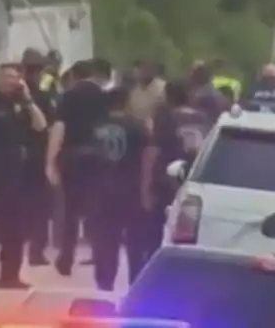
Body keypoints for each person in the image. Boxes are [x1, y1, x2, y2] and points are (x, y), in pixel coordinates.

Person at [0, 64, 48, 289]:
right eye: (8, 76)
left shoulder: (21, 104)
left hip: (17, 172)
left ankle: (9, 275)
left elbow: (41, 126)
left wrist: (28, 100)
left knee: (16, 226)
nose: (12, 81)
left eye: (16, 77)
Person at [46, 59, 109, 276]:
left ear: (73, 76)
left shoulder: (69, 96)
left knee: (70, 211)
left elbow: (59, 127)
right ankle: (101, 256)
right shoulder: (103, 97)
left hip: (73, 157)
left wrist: (51, 160)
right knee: (96, 211)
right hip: (97, 157)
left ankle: (66, 259)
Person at [89, 87, 153, 290]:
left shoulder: (96, 126)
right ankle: (135, 282)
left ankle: (104, 282)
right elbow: (147, 158)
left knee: (105, 240)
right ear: (126, 103)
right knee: (135, 241)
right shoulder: (137, 127)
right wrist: (146, 190)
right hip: (130, 189)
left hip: (101, 189)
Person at [143, 80, 210, 256]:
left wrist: (146, 185)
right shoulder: (201, 118)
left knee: (156, 230)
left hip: (165, 180)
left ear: (168, 97)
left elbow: (154, 150)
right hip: (194, 178)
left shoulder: (165, 117)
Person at [20, 50, 56, 266]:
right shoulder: (42, 96)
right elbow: (51, 127)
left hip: (27, 154)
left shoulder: (24, 94)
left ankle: (34, 248)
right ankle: (35, 249)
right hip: (36, 154)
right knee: (40, 205)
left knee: (34, 204)